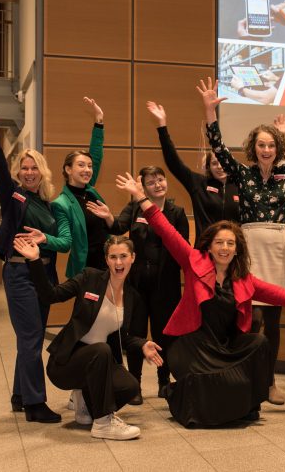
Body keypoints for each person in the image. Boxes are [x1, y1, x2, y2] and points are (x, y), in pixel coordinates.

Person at [115, 172, 285, 427]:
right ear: (209, 246)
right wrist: (142, 197)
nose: (224, 248)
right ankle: (177, 393)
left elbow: (282, 295)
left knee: (259, 342)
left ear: (237, 249)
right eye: (219, 243)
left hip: (223, 345)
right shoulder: (193, 262)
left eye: (230, 243)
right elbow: (166, 230)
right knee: (212, 383)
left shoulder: (244, 279)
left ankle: (250, 400)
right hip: (191, 344)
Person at [200, 77, 285, 404]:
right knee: (251, 318)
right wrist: (209, 112)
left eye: (271, 145)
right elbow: (218, 147)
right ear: (253, 148)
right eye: (261, 145)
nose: (266, 150)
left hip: (277, 245)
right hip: (250, 245)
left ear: (277, 148)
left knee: (273, 319)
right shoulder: (242, 173)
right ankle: (247, 379)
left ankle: (270, 383)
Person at [12, 235, 163, 440]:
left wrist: (142, 344)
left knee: (130, 386)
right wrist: (35, 260)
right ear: (106, 260)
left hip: (99, 364)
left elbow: (123, 337)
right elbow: (51, 295)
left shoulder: (132, 296)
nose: (118, 263)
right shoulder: (89, 278)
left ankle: (86, 400)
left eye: (123, 256)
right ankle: (103, 423)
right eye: (113, 257)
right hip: (66, 363)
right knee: (101, 350)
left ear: (133, 258)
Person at [0, 100, 68, 424]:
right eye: (24, 168)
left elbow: (56, 244)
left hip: (43, 275)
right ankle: (35, 404)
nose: (29, 173)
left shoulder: (48, 202)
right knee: (31, 340)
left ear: (42, 172)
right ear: (19, 173)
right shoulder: (14, 196)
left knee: (30, 336)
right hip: (19, 273)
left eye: (34, 168)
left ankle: (19, 395)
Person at [87, 166, 189, 401]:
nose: (158, 185)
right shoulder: (134, 207)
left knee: (165, 335)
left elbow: (183, 247)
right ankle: (135, 385)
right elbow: (119, 227)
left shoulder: (176, 211)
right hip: (137, 285)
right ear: (143, 186)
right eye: (151, 182)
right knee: (136, 333)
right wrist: (108, 216)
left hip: (166, 284)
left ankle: (165, 381)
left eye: (160, 180)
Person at [22, 98, 109, 278]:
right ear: (68, 169)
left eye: (89, 166)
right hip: (86, 270)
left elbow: (96, 154)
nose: (87, 170)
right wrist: (45, 238)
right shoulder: (61, 204)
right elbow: (64, 243)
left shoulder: (90, 190)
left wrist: (99, 121)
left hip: (109, 265)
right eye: (81, 165)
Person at [147, 101, 240, 243]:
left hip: (233, 252)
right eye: (214, 163)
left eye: (223, 162)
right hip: (205, 251)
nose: (220, 167)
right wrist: (162, 127)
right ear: (208, 167)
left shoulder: (241, 185)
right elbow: (174, 163)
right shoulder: (199, 184)